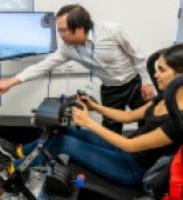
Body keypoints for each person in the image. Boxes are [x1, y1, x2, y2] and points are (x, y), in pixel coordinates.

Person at [13, 44, 183, 186]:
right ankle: (17, 152)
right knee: (62, 130)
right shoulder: (164, 98)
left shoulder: (177, 120)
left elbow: (131, 145)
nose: (155, 75)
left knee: (60, 142)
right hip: (124, 151)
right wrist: (95, 106)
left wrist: (89, 123)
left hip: (131, 169)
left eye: (162, 70)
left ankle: (9, 172)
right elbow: (127, 117)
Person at [0, 4, 154, 134]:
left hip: (135, 83)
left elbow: (139, 56)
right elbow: (43, 66)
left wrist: (146, 82)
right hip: (110, 89)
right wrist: (12, 81)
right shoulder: (67, 48)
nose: (60, 35)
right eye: (58, 30)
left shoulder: (112, 30)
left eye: (63, 30)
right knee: (110, 129)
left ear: (80, 28)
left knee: (147, 121)